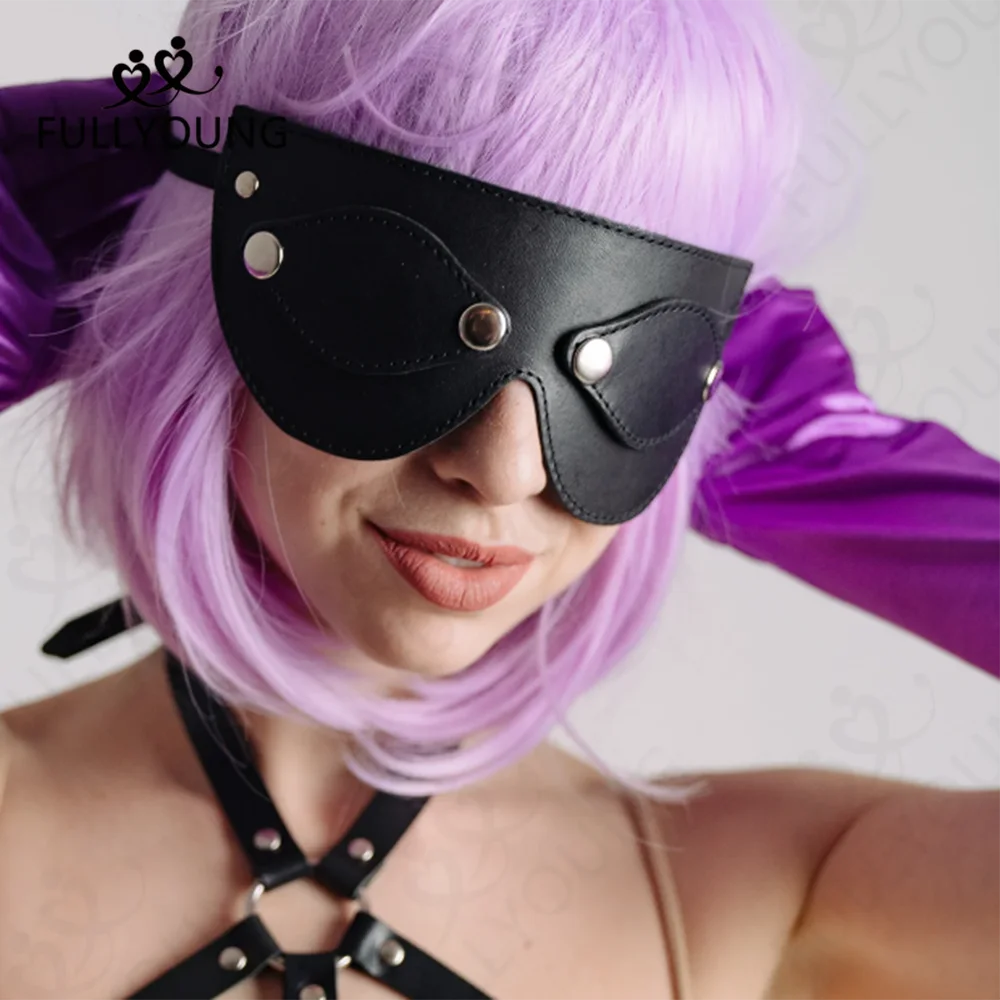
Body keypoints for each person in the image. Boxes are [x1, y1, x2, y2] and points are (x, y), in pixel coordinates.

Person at [0, 1, 997, 998]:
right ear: (205, 293)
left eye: (628, 355)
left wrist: (811, 450)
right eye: (393, 297)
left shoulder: (766, 894)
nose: (505, 469)